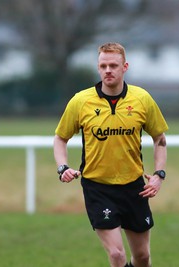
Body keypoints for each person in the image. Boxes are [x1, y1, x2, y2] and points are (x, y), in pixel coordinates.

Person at [53, 42, 168, 267]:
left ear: (124, 67)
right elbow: (60, 138)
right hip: (98, 187)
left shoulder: (142, 99)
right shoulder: (81, 101)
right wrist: (63, 167)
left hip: (135, 187)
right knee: (117, 255)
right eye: (103, 65)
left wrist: (159, 174)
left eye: (113, 65)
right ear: (98, 68)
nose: (108, 70)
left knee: (143, 256)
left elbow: (159, 139)